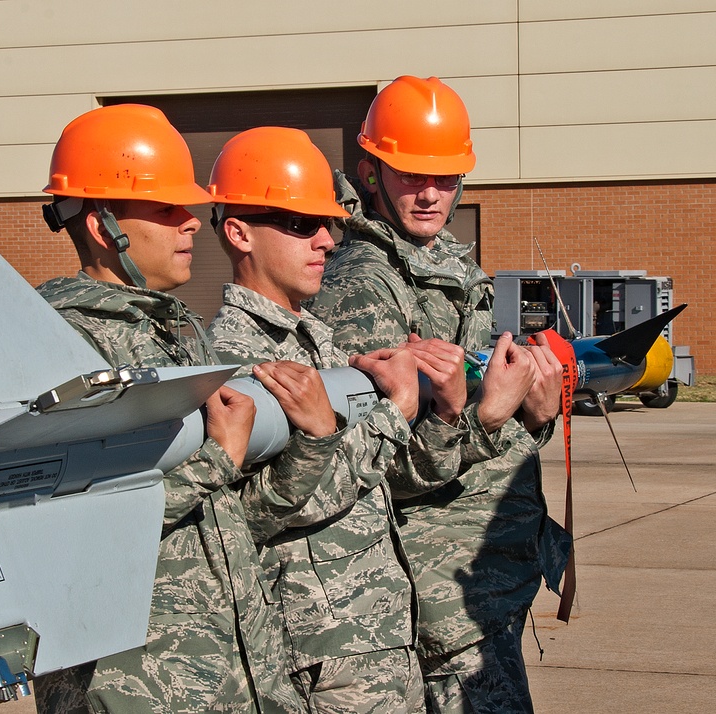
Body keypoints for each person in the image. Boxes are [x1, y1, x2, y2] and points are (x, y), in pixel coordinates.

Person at [31, 104, 341, 714]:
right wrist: (216, 460)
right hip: (133, 685)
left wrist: (312, 440)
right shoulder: (53, 346)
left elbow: (242, 519)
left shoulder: (181, 336)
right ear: (103, 225)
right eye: (168, 210)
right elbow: (64, 526)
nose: (192, 224)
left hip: (236, 670)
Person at [205, 126, 502, 713]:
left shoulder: (318, 343)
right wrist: (394, 412)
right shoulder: (235, 360)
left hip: (381, 631)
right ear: (238, 232)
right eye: (299, 225)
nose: (326, 242)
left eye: (330, 225)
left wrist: (453, 415)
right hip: (326, 648)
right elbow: (262, 514)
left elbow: (386, 479)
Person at [310, 76, 572, 713]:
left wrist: (533, 415)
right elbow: (376, 464)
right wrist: (485, 417)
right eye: (409, 174)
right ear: (371, 172)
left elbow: (488, 409)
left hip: (487, 579)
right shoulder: (364, 286)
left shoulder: (447, 265)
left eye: (445, 177)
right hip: (437, 593)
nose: (429, 193)